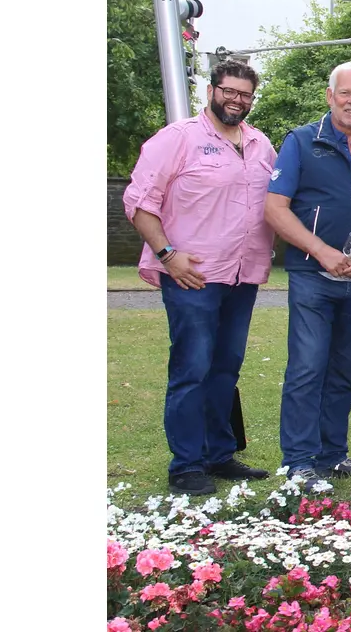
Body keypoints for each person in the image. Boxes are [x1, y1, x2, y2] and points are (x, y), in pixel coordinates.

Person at [123, 59, 276, 495]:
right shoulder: (178, 139)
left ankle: (219, 455)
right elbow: (139, 202)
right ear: (211, 91)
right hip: (193, 277)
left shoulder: (261, 145)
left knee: (226, 368)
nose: (237, 100)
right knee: (192, 368)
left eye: (245, 94)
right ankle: (187, 464)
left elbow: (277, 202)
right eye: (229, 91)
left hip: (242, 276)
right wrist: (167, 255)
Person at [263, 61, 351, 489]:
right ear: (330, 96)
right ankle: (298, 463)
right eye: (344, 93)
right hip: (313, 276)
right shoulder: (301, 141)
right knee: (307, 368)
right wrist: (322, 252)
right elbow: (275, 208)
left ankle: (332, 456)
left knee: (346, 372)